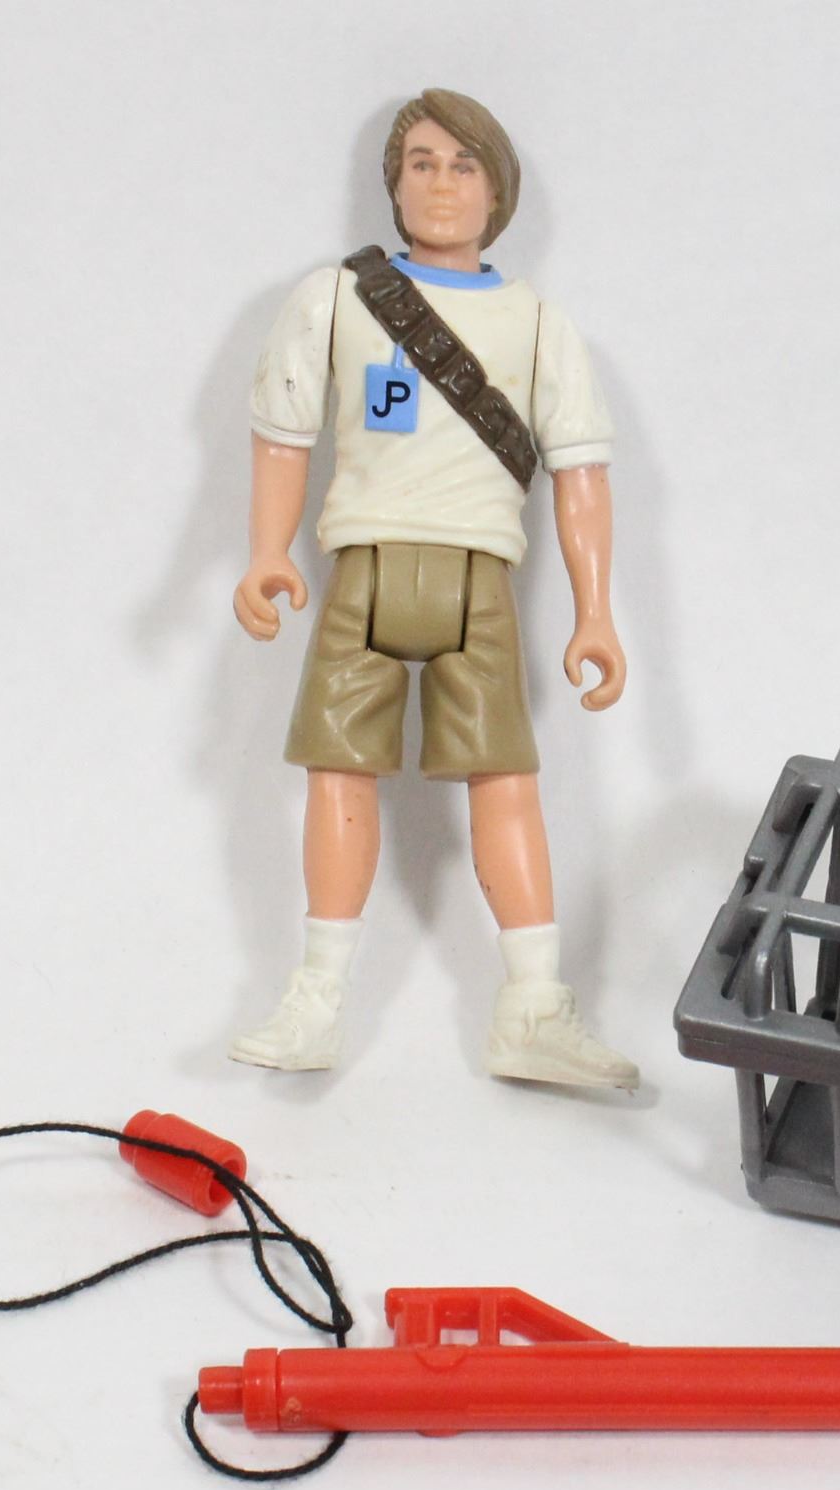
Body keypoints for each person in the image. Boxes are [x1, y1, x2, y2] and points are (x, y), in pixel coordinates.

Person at [229, 88, 637, 1089]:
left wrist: (595, 610)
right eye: (421, 163)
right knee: (338, 771)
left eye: (464, 165)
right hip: (362, 573)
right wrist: (267, 549)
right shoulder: (337, 298)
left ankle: (532, 1006)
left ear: (499, 189)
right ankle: (318, 997)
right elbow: (283, 434)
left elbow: (582, 472)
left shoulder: (537, 324)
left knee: (506, 781)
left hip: (477, 583)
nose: (442, 184)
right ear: (393, 183)